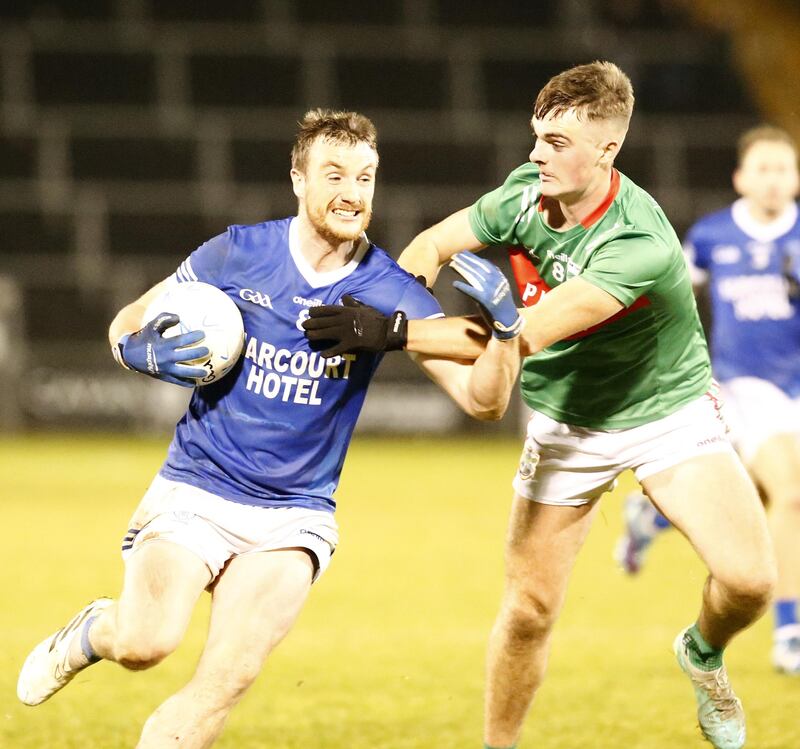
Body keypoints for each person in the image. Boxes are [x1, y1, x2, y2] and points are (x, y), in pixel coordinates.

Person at [302, 63, 777, 749]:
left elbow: (520, 337)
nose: (535, 154)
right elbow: (432, 244)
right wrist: (387, 296)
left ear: (608, 151)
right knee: (528, 610)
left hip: (664, 411)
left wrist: (393, 333)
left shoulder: (637, 242)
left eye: (556, 142)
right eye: (537, 136)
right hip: (567, 418)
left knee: (751, 581)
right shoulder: (525, 194)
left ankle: (701, 650)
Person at [16, 109, 523, 748]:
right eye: (334, 174)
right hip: (199, 487)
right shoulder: (238, 251)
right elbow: (130, 318)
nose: (352, 193)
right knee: (147, 644)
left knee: (223, 681)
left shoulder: (387, 289)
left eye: (365, 177)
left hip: (294, 514)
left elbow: (484, 401)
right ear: (297, 180)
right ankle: (96, 631)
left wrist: (506, 333)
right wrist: (133, 351)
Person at [616, 125, 800, 675]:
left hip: (795, 389)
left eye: (783, 169)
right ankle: (789, 631)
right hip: (744, 386)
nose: (773, 180)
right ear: (741, 178)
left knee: (745, 489)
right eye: (762, 169)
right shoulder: (714, 235)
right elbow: (671, 297)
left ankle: (652, 518)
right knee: (789, 493)